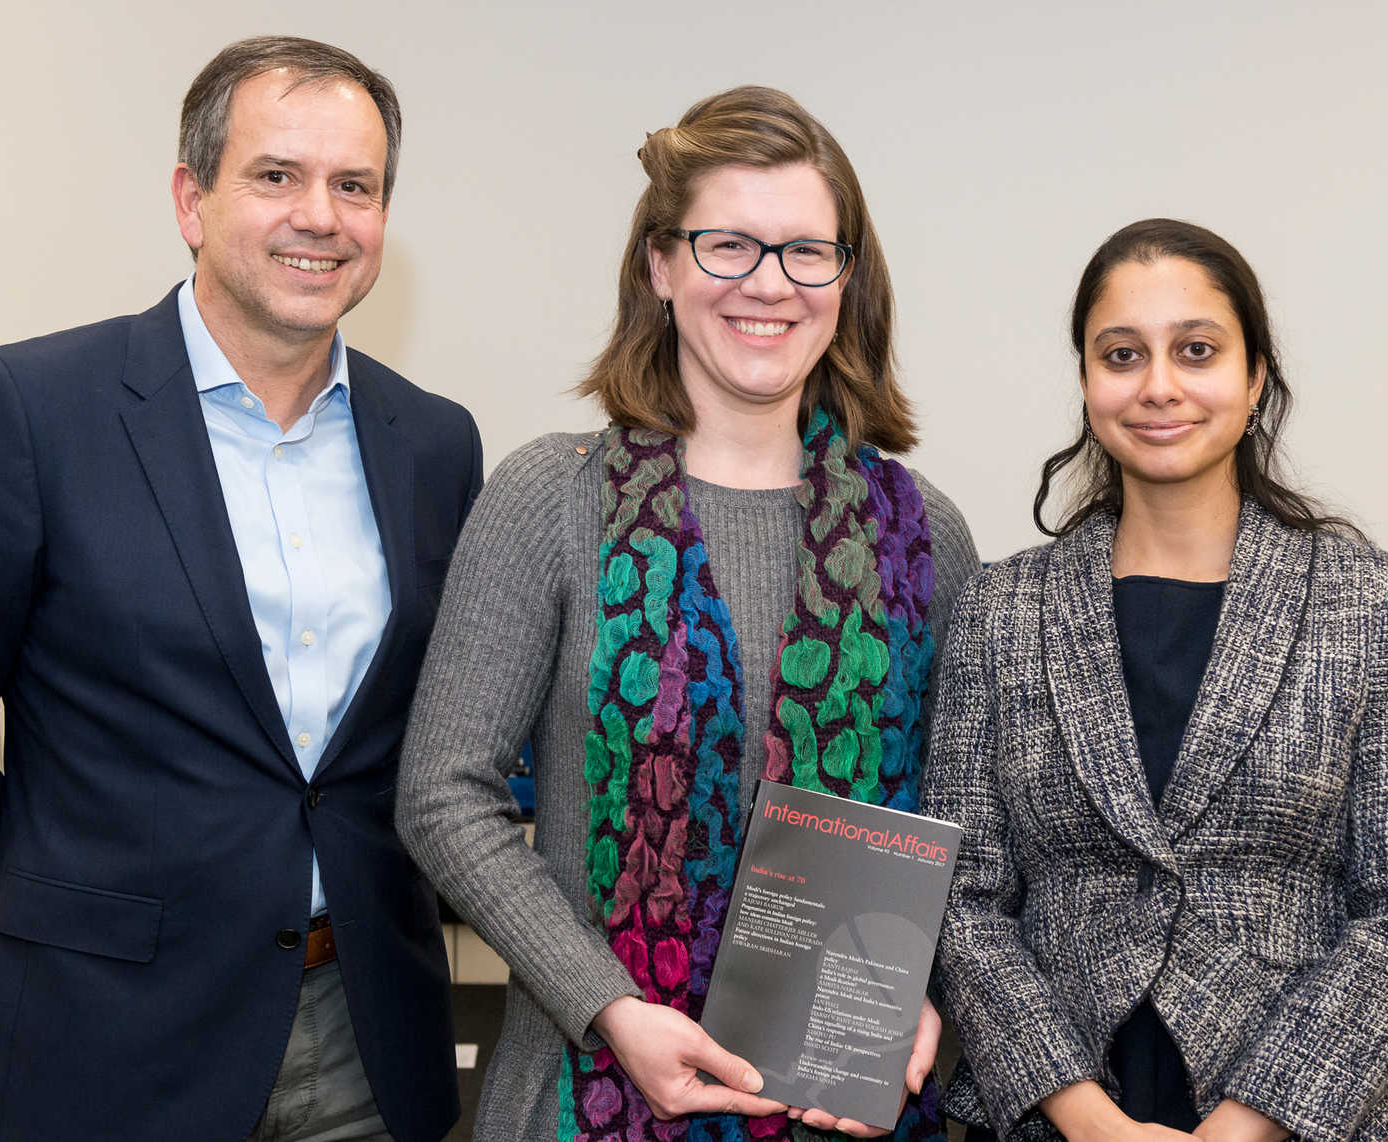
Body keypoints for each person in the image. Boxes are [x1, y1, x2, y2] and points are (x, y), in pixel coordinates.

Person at [0, 36, 480, 1142]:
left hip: (365, 1034)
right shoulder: (29, 409)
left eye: (355, 185)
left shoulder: (434, 442)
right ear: (190, 198)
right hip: (95, 1041)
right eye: (275, 175)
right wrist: (16, 952)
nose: (321, 215)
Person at [395, 85, 979, 1142]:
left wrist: (921, 991)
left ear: (847, 279)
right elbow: (444, 793)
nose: (769, 285)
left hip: (849, 1103)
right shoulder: (551, 499)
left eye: (808, 251)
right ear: (660, 266)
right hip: (588, 1092)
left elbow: (962, 828)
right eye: (728, 246)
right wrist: (609, 1005)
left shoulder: (923, 532)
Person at [923, 219, 1388, 1142]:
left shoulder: (1372, 601)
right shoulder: (1000, 608)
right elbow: (965, 900)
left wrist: (1251, 1121)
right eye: (1122, 354)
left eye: (1197, 351)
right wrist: (1086, 1118)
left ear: (1255, 377)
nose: (1159, 385)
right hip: (1066, 1104)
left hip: (1319, 1111)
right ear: (1089, 380)